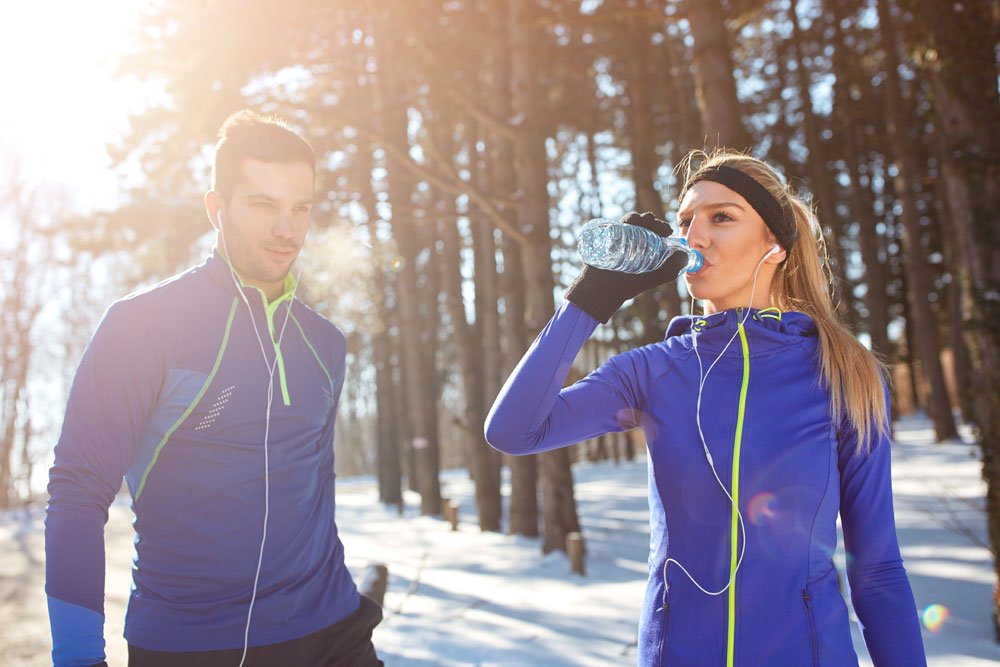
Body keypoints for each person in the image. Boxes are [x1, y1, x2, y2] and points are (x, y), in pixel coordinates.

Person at [484, 149, 927, 666]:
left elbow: (877, 569)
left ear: (776, 245)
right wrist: (590, 298)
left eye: (722, 217)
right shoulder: (651, 370)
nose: (695, 236)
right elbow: (514, 430)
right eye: (686, 220)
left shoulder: (842, 370)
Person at [45, 110, 383, 667]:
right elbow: (78, 491)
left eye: (301, 208)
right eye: (263, 204)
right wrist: (79, 658)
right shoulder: (143, 328)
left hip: (330, 632)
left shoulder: (325, 345)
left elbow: (314, 489)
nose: (287, 228)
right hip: (192, 644)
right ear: (216, 209)